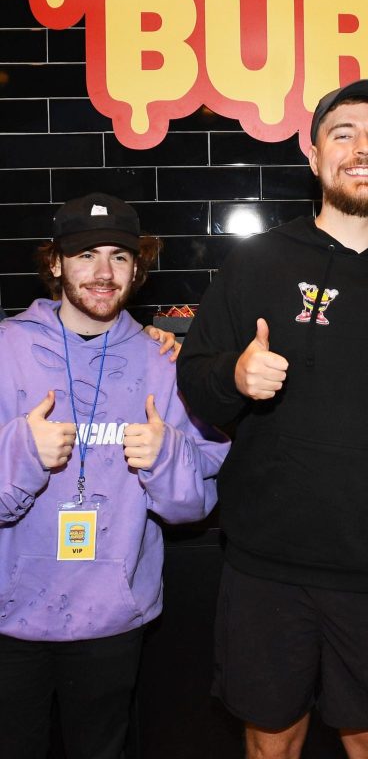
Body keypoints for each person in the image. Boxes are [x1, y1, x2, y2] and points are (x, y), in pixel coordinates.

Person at [176, 81, 368, 759]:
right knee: (270, 744)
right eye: (344, 134)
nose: (363, 148)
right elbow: (196, 381)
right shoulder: (257, 263)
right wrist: (234, 377)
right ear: (314, 157)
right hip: (265, 566)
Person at [0, 194, 227, 759]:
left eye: (120, 258)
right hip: (9, 615)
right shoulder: (7, 350)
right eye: (85, 255)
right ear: (56, 264)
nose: (103, 274)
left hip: (112, 614)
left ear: (137, 267)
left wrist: (166, 455)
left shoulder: (164, 361)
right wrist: (23, 451)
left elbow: (194, 504)